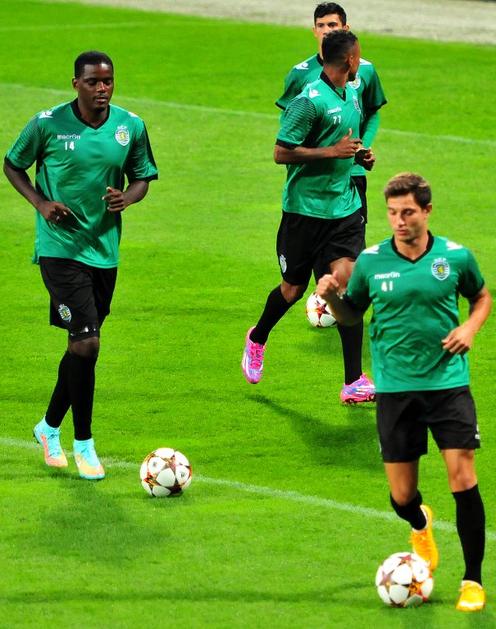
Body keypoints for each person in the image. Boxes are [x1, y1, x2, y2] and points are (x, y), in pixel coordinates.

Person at [317, 172, 491, 611]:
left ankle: (472, 580)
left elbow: (481, 297)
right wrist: (332, 297)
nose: (399, 220)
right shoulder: (372, 262)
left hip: (447, 385)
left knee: (462, 477)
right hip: (396, 390)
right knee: (401, 497)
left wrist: (469, 328)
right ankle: (419, 521)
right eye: (393, 212)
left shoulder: (454, 256)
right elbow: (351, 314)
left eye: (408, 212)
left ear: (427, 211)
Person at [3, 51, 158, 480]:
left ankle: (48, 427)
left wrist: (128, 197)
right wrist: (41, 203)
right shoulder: (48, 124)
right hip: (59, 249)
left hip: (103, 250)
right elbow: (13, 164)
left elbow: (142, 176)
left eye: (108, 81)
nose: (102, 88)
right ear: (76, 83)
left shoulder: (130, 126)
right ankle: (84, 444)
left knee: (79, 347)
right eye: (93, 81)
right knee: (88, 344)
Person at [242, 29, 376, 404]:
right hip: (304, 213)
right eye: (358, 55)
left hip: (343, 209)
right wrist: (332, 152)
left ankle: (353, 382)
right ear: (348, 59)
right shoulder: (308, 101)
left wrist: (359, 156)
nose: (360, 60)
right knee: (292, 289)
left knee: (347, 288)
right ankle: (257, 337)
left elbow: (346, 140)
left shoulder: (353, 92)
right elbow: (281, 152)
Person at [276, 2, 387, 229]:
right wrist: (327, 151)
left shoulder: (364, 70)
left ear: (345, 29)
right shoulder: (300, 74)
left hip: (352, 172)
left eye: (332, 25)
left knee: (351, 240)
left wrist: (360, 147)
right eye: (321, 25)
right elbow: (289, 126)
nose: (327, 30)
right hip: (311, 180)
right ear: (314, 30)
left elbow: (372, 112)